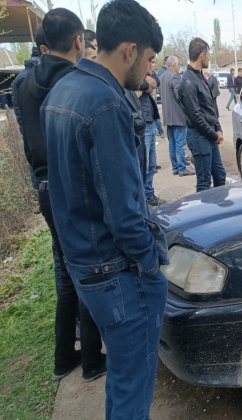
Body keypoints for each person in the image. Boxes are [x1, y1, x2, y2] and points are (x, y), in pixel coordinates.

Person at [41, 1, 169, 417]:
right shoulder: (107, 104)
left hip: (86, 265)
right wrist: (151, 265)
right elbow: (125, 213)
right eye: (150, 58)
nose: (150, 70)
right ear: (130, 50)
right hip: (117, 274)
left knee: (123, 380)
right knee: (133, 391)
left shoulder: (64, 89)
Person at [14, 8, 106, 382]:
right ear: (78, 41)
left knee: (65, 273)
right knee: (85, 269)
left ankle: (63, 356)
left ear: (42, 44)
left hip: (44, 189)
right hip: (72, 189)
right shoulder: (76, 81)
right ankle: (91, 361)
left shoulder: (21, 83)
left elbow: (26, 137)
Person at [178, 37, 226, 192]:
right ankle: (205, 214)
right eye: (208, 54)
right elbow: (196, 116)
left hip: (209, 134)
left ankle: (219, 213)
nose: (209, 58)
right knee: (204, 182)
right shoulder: (187, 82)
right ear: (202, 54)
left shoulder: (199, 76)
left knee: (220, 176)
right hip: (199, 137)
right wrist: (214, 135)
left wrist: (218, 128)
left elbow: (210, 106)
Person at [158, 55, 193, 177]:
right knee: (180, 143)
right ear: (173, 65)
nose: (179, 67)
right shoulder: (174, 76)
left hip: (168, 115)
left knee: (172, 143)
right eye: (178, 65)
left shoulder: (161, 77)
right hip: (177, 115)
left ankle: (175, 168)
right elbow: (179, 95)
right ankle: (182, 168)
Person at [137, 68, 165, 206]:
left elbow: (155, 83)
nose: (151, 65)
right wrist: (145, 85)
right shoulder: (133, 72)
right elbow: (140, 87)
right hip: (142, 124)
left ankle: (149, 194)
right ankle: (143, 198)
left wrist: (147, 83)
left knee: (152, 164)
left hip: (151, 122)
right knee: (144, 165)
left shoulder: (147, 74)